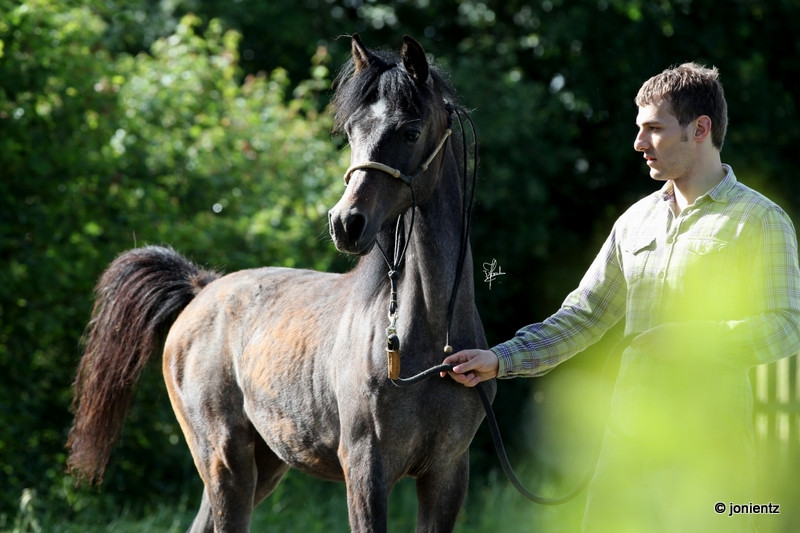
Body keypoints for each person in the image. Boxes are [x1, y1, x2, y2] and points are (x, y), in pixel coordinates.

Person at [443, 63, 800, 532]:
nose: (638, 143)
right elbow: (583, 316)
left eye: (654, 129)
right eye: (638, 129)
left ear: (700, 129)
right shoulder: (634, 221)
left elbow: (787, 326)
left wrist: (699, 338)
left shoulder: (761, 220)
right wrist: (499, 359)